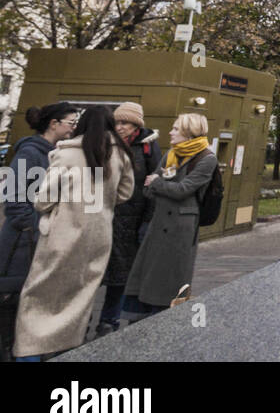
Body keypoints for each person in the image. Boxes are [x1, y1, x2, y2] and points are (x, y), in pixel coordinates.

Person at [13, 106, 133, 360]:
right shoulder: (119, 155)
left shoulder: (66, 155)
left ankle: (30, 354)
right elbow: (125, 194)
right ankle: (66, 349)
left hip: (62, 235)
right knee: (80, 298)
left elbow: (43, 201)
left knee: (39, 297)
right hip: (99, 236)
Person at [0, 102, 79, 361]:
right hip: (21, 244)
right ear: (53, 123)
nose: (74, 127)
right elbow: (14, 199)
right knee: (12, 303)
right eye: (70, 122)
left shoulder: (56, 153)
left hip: (37, 239)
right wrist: (35, 227)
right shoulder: (30, 153)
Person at [122, 113, 217, 320]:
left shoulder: (207, 158)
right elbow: (149, 191)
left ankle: (164, 320)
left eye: (176, 129)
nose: (171, 132)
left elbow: (183, 189)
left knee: (170, 280)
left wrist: (157, 183)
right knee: (146, 276)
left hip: (180, 228)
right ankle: (140, 318)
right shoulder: (171, 154)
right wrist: (159, 185)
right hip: (158, 222)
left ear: (188, 132)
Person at [95, 102, 161, 336]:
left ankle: (108, 320)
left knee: (120, 277)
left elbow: (154, 184)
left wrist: (146, 222)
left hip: (132, 220)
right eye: (118, 122)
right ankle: (81, 321)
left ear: (136, 125)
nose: (120, 127)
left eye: (125, 123)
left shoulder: (148, 148)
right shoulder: (106, 142)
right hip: (104, 216)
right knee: (93, 272)